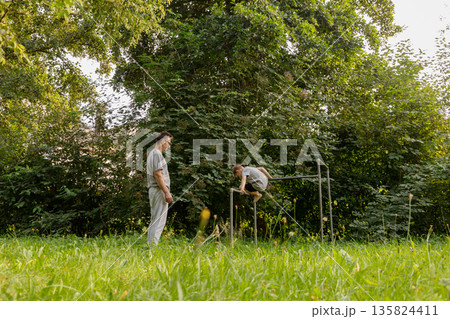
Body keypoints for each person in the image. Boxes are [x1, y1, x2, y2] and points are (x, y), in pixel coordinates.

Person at [147, 131, 173, 245]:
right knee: (158, 221)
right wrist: (166, 192)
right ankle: (153, 248)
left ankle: (150, 247)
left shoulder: (152, 153)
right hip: (159, 191)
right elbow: (158, 175)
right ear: (163, 141)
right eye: (169, 142)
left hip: (155, 190)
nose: (169, 145)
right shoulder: (156, 154)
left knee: (155, 220)